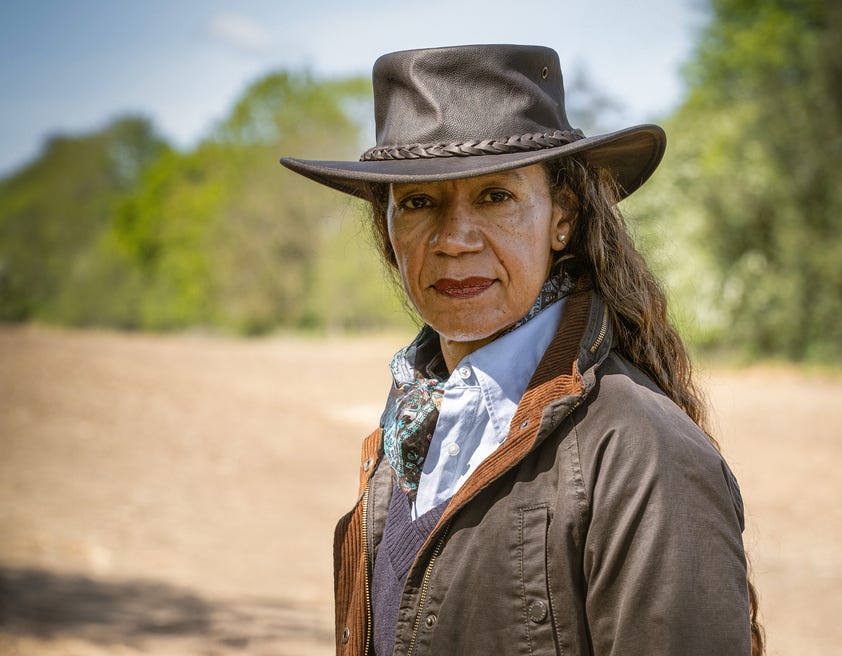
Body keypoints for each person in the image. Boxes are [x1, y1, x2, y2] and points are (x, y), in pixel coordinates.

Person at [281, 44, 763, 656]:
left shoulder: (640, 450)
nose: (455, 239)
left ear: (562, 216)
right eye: (420, 202)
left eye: (495, 197)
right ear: (388, 231)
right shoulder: (412, 427)